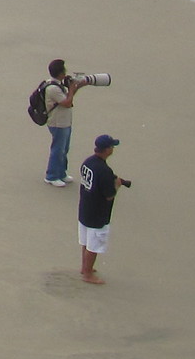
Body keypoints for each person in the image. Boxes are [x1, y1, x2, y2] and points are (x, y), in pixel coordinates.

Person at [78, 134, 130, 285]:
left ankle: (84, 267)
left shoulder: (87, 162)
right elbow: (109, 195)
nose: (113, 149)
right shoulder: (104, 170)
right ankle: (87, 274)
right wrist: (117, 185)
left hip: (85, 208)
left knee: (86, 241)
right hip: (97, 213)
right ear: (106, 150)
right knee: (93, 245)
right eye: (112, 147)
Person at [41, 59, 81, 187]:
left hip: (64, 122)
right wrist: (71, 88)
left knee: (64, 149)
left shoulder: (56, 84)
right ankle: (51, 176)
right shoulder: (53, 88)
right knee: (58, 149)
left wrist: (74, 87)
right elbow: (67, 103)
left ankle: (61, 173)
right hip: (58, 123)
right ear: (60, 73)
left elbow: (69, 97)